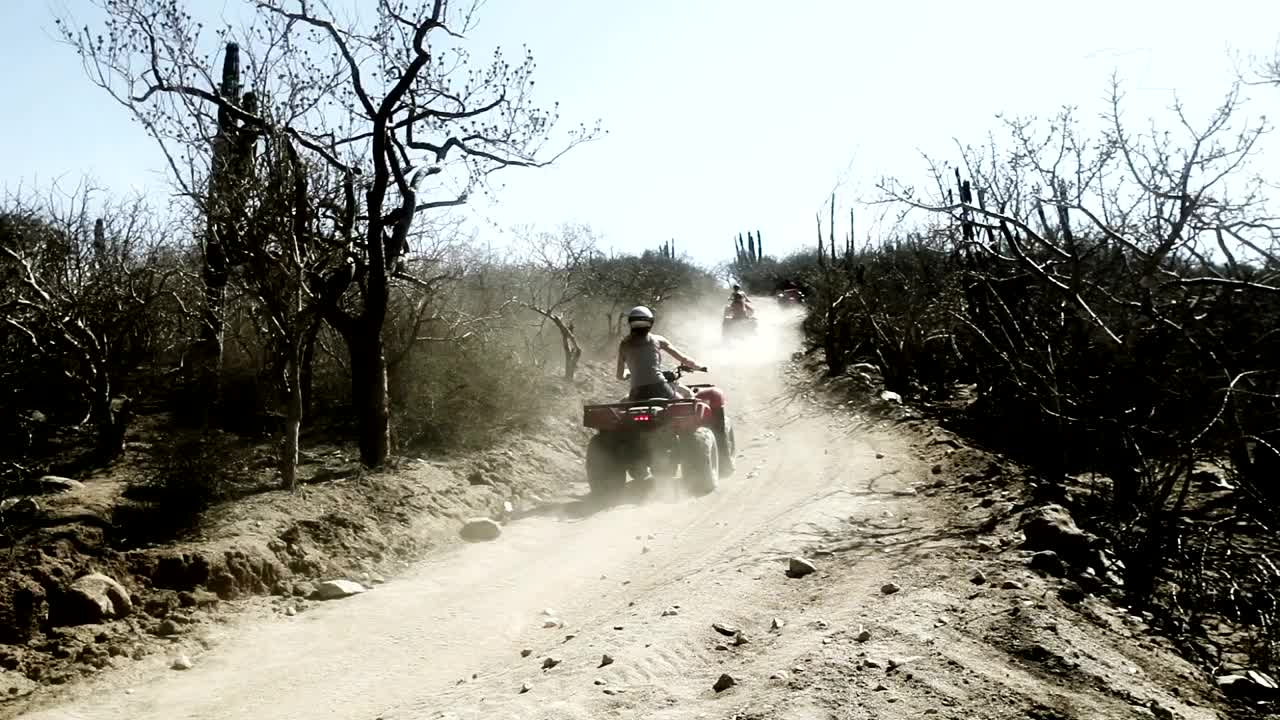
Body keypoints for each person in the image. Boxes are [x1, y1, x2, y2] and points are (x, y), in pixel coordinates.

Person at [616, 306, 702, 400]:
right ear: (650, 322)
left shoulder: (624, 344)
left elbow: (619, 376)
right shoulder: (657, 339)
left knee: (623, 404)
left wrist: (627, 374)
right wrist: (699, 367)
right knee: (684, 402)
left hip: (637, 393)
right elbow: (684, 359)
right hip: (659, 388)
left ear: (630, 323)